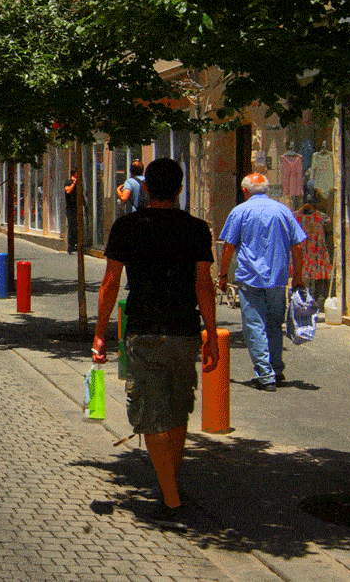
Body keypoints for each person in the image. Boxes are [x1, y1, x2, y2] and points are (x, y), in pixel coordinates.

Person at [92, 158, 218, 520]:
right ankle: (170, 485)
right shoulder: (197, 229)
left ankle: (171, 499)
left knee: (151, 413)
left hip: (143, 329)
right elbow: (204, 285)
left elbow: (110, 282)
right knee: (177, 408)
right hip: (184, 329)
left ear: (145, 187)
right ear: (180, 189)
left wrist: (100, 334)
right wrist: (211, 334)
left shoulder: (127, 227)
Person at [217, 173, 307, 391]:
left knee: (255, 325)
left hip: (250, 278)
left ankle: (265, 375)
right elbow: (297, 245)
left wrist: (223, 275)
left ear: (245, 191)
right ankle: (275, 369)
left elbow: (228, 246)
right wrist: (298, 276)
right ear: (266, 189)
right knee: (274, 324)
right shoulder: (283, 210)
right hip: (278, 278)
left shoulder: (240, 211)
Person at [64, 167, 80, 254]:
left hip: (77, 208)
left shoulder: (79, 183)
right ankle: (71, 247)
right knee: (72, 227)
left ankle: (77, 245)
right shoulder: (68, 182)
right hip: (70, 208)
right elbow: (68, 191)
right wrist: (74, 183)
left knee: (77, 227)